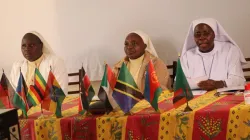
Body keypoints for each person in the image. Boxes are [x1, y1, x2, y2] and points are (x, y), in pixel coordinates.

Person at [181, 18, 246, 91]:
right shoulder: (187, 56)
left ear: (214, 34)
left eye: (206, 33)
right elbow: (179, 83)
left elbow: (239, 80)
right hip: (196, 99)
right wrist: (199, 84)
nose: (202, 38)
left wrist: (220, 83)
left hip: (225, 97)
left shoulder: (230, 50)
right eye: (197, 34)